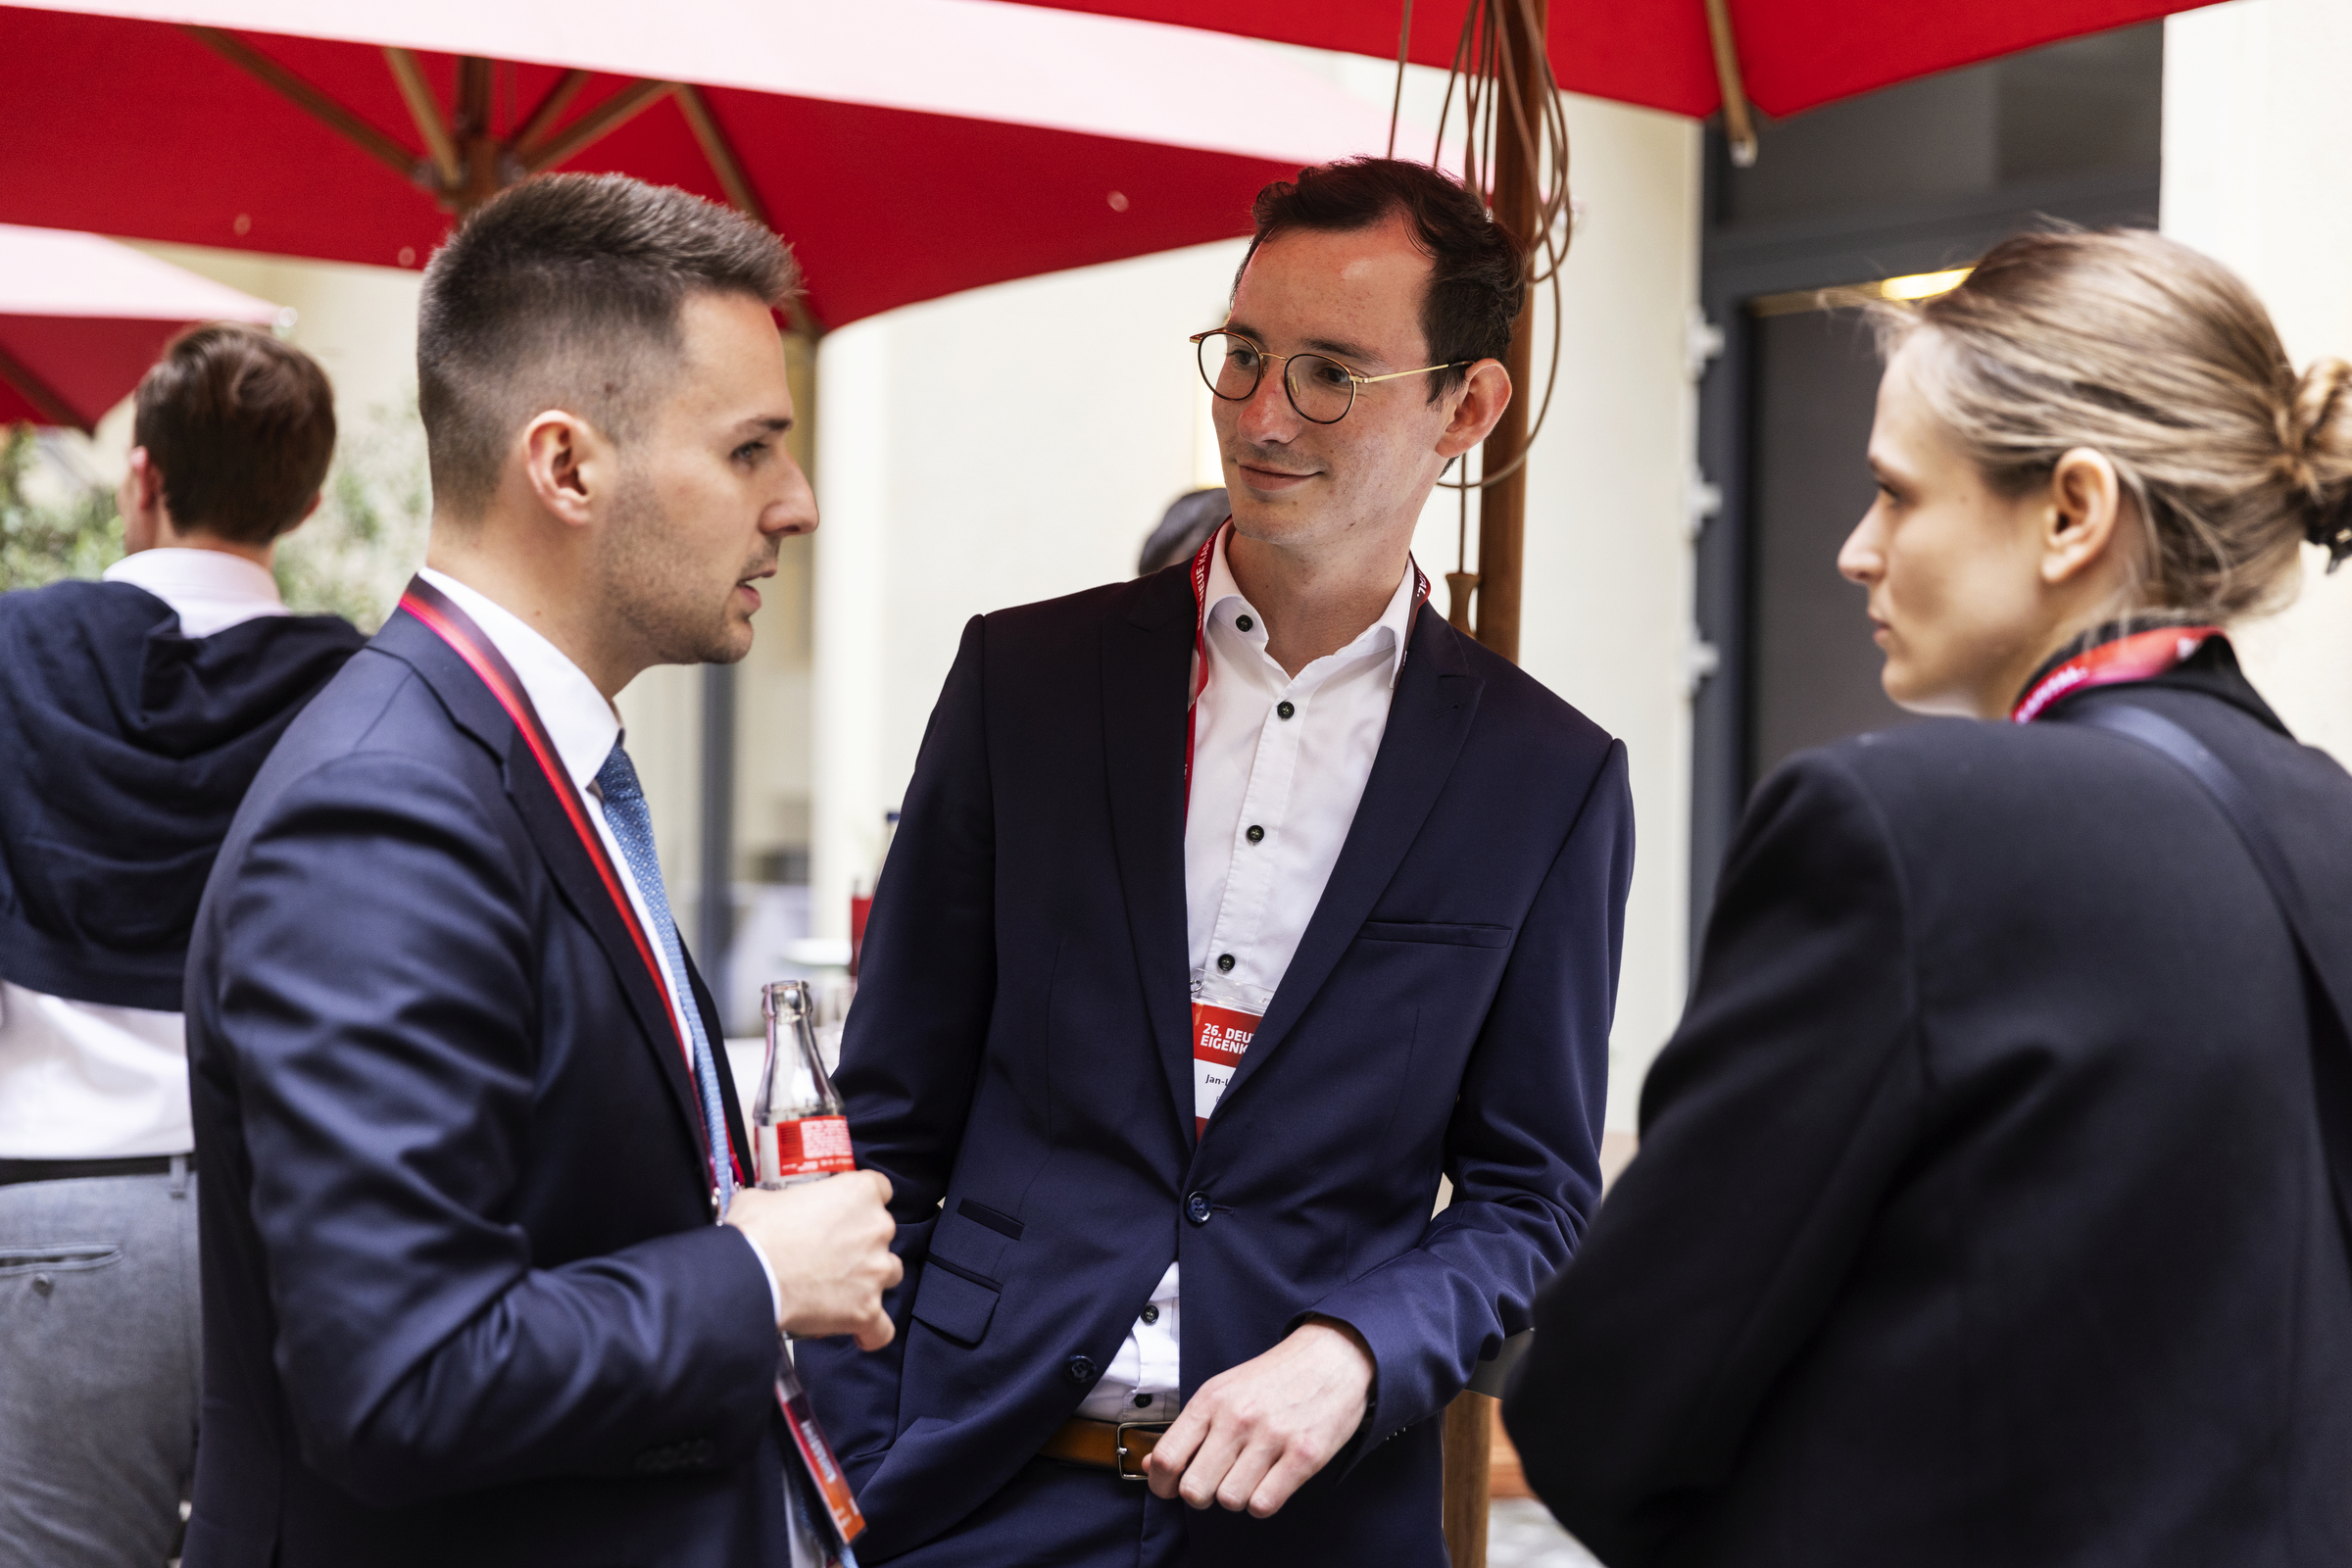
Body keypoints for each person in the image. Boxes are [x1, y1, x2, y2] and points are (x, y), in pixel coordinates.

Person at [800, 157, 1635, 1565]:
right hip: (974, 1496)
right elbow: (885, 1112)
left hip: (1316, 1523)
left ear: (1466, 407)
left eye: (1330, 375)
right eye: (1243, 353)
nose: (1260, 415)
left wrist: (1361, 1349)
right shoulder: (1027, 681)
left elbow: (1532, 1194)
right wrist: (868, 1458)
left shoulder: (1548, 777)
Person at [1505, 228, 2352, 1565]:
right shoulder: (2332, 828)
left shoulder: (1904, 827)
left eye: (1896, 494)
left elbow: (1606, 1404)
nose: (1858, 550)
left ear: (2073, 513)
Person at [179, 174, 901, 1568]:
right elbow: (404, 1374)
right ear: (566, 467)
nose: (798, 503)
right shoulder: (384, 813)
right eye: (751, 449)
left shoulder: (523, 763)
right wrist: (757, 1272)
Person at [0, 322, 362, 1568]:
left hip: (59, 1215)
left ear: (140, 474)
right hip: (285, 1224)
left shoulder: (15, 654)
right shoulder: (357, 690)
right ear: (307, 502)